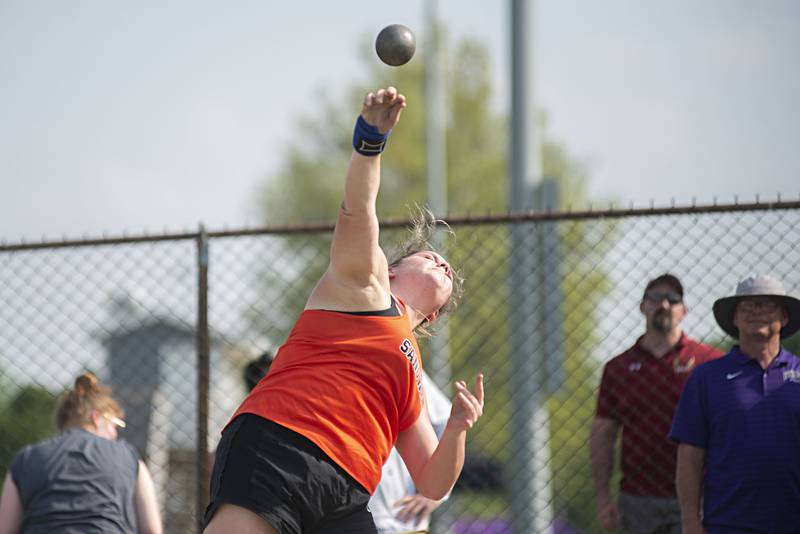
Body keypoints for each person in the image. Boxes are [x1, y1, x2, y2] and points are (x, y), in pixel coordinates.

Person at [203, 86, 484, 534]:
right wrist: (370, 141)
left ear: (433, 317)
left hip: (345, 491)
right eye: (428, 256)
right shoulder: (362, 284)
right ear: (392, 270)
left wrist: (457, 429)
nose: (441, 262)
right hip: (279, 446)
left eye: (448, 273)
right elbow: (358, 211)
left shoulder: (412, 375)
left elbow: (432, 480)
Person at [590, 274, 723, 533]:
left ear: (684, 310)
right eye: (654, 298)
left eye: (672, 299)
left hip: (703, 495)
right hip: (638, 500)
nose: (663, 304)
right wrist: (603, 496)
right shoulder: (617, 368)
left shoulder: (710, 363)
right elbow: (603, 434)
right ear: (642, 306)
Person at [670, 275, 800, 533]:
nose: (757, 312)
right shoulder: (706, 378)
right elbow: (689, 457)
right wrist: (690, 523)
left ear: (784, 317)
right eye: (747, 306)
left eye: (767, 305)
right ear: (734, 318)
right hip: (727, 524)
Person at [0, 372, 163, 534]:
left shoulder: (26, 458)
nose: (115, 434)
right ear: (96, 417)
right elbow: (152, 530)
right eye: (115, 425)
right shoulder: (130, 458)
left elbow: (5, 529)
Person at [369, 371, 452, 534]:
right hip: (350, 516)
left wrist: (435, 494)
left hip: (402, 520)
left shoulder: (399, 358)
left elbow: (447, 419)